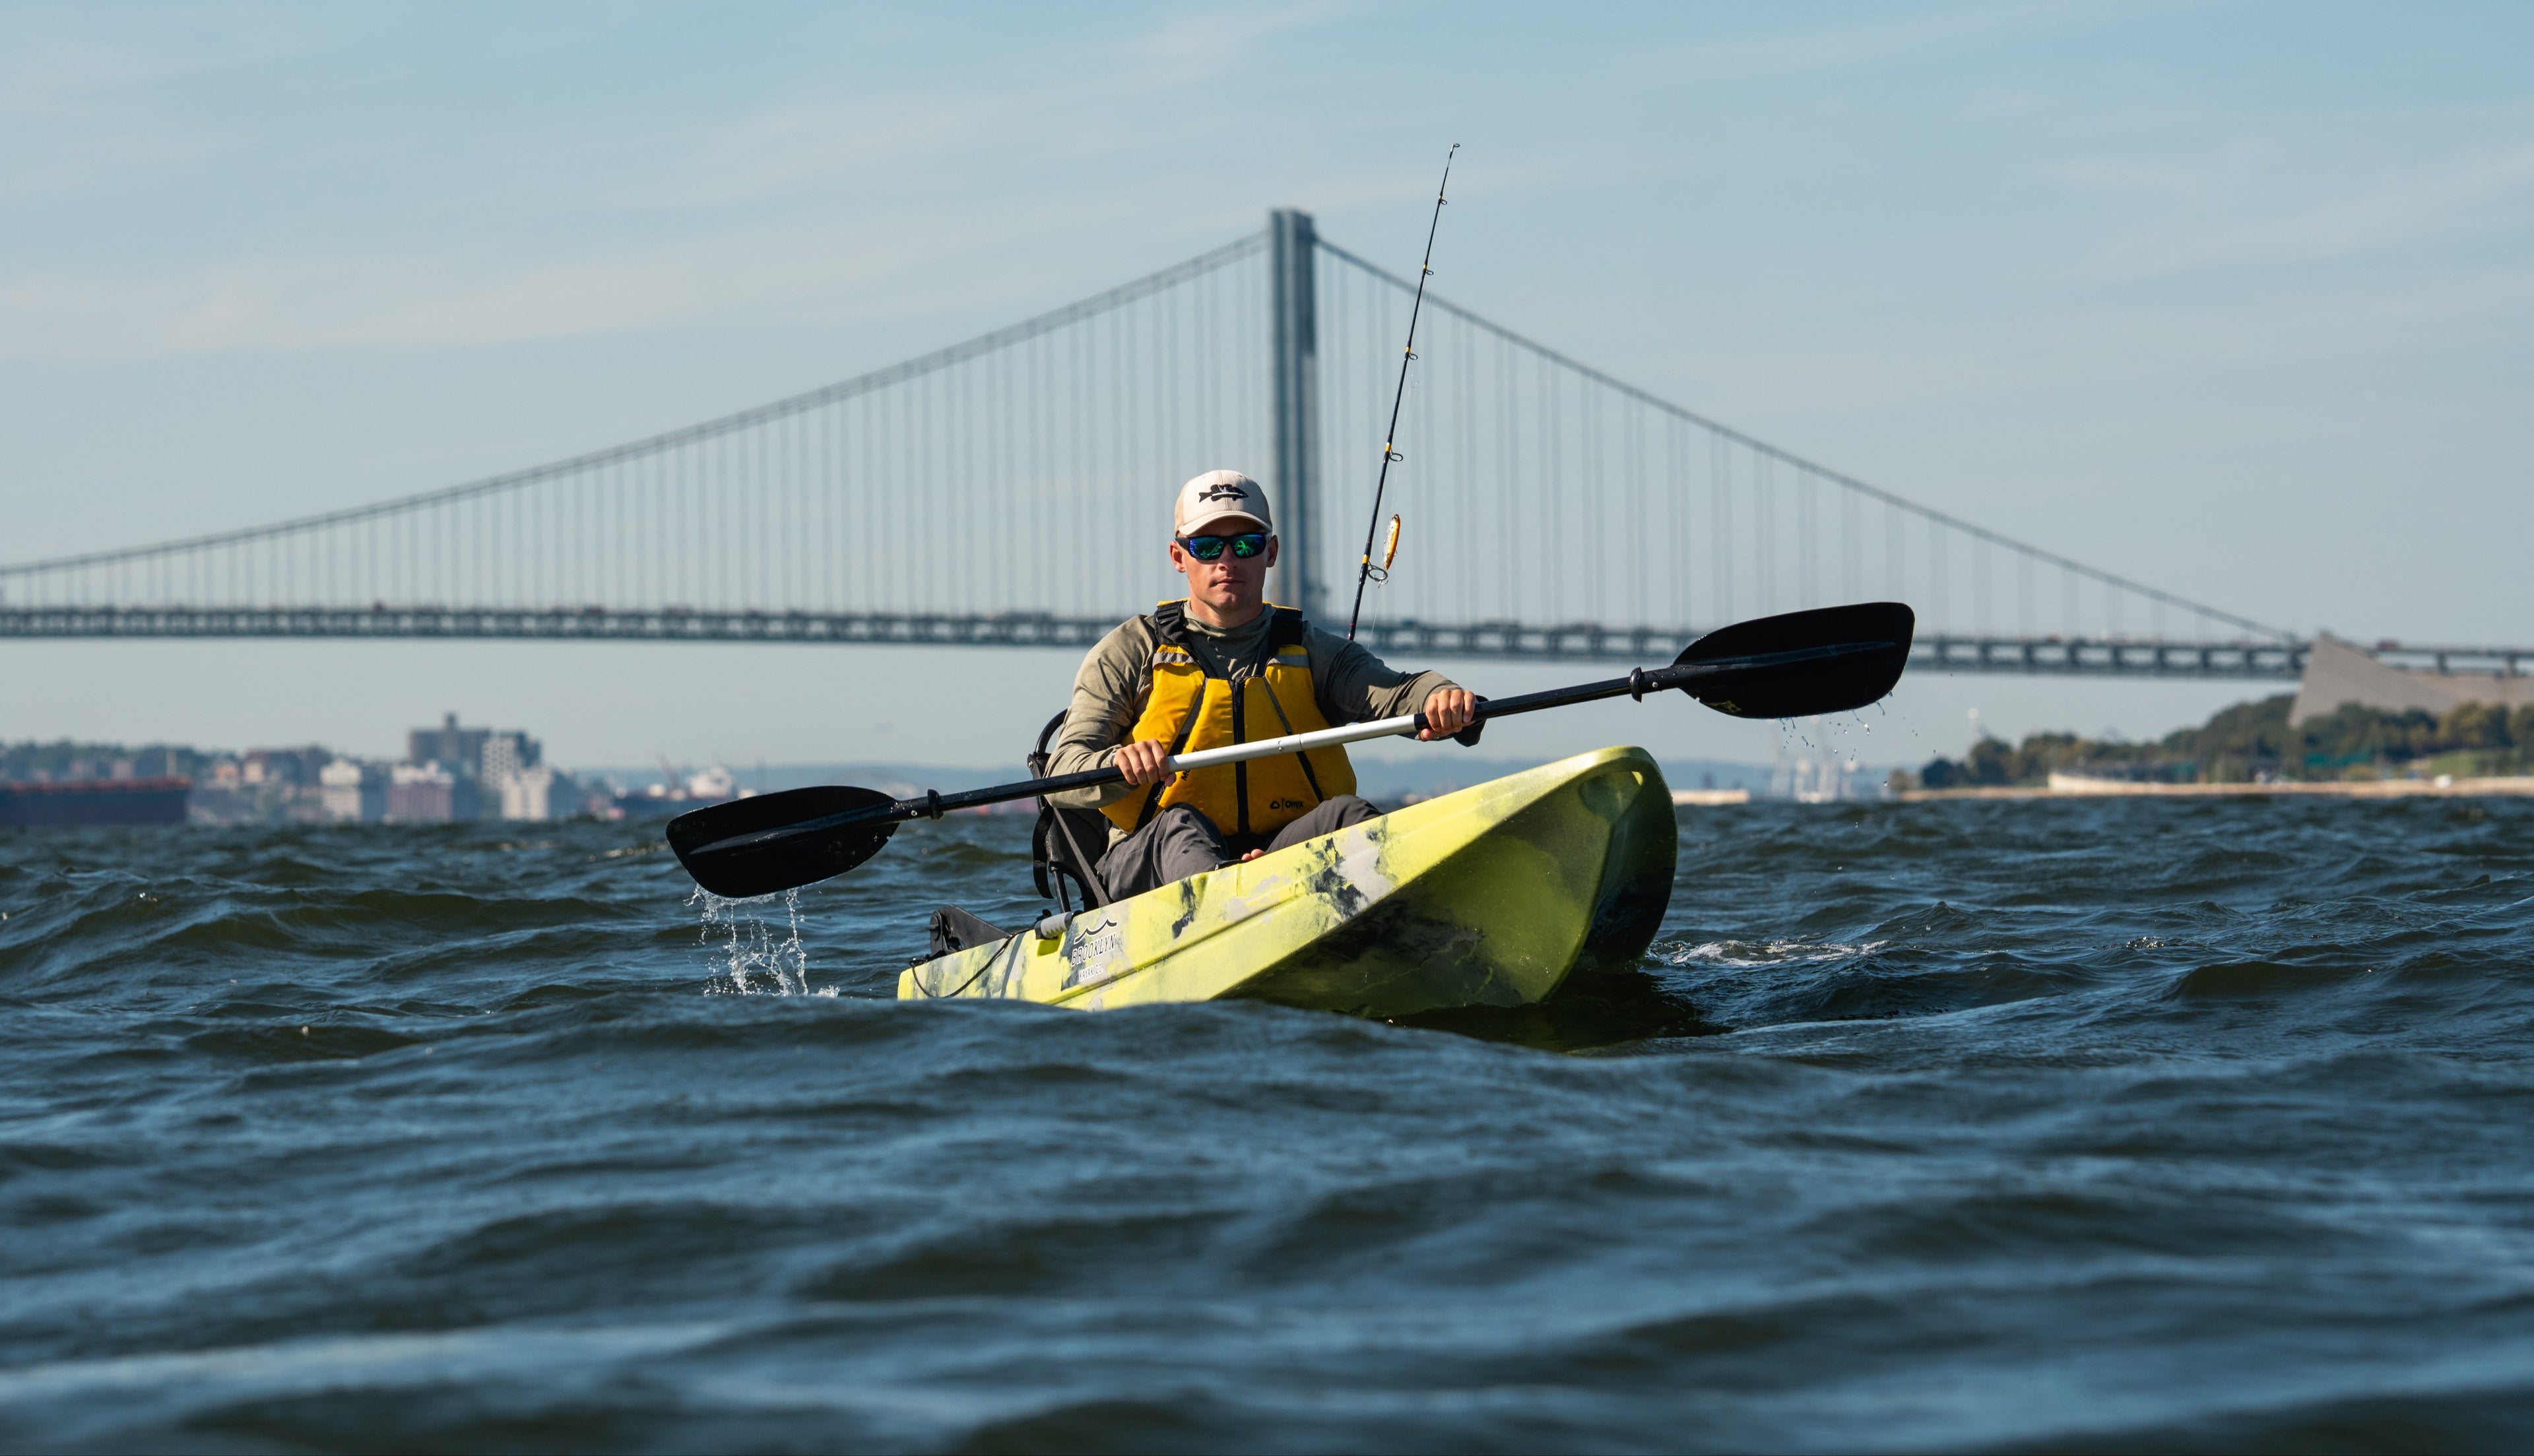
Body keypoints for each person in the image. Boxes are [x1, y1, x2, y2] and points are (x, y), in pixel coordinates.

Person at [1045, 469, 1478, 902]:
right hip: (1149, 862)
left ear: (1270, 552)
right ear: (1179, 556)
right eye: (1208, 546)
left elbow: (1402, 693)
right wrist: (1120, 760)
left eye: (1246, 545)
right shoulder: (1130, 650)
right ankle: (1229, 904)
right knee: (1180, 826)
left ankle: (1403, 925)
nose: (1228, 560)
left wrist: (1442, 696)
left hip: (1279, 861)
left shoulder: (1313, 651)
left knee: (1348, 814)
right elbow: (1063, 769)